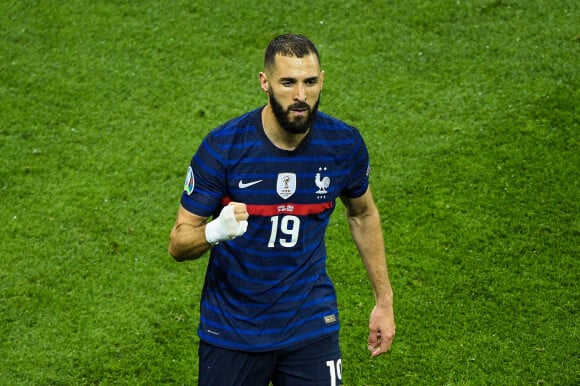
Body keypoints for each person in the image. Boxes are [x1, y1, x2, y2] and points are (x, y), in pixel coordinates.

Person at [168, 34, 395, 386]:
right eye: (288, 82)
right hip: (233, 331)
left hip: (309, 324)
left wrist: (384, 300)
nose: (300, 96)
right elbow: (178, 243)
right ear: (265, 82)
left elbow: (362, 213)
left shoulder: (343, 144)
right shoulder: (224, 148)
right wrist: (214, 232)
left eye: (310, 82)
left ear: (322, 80)